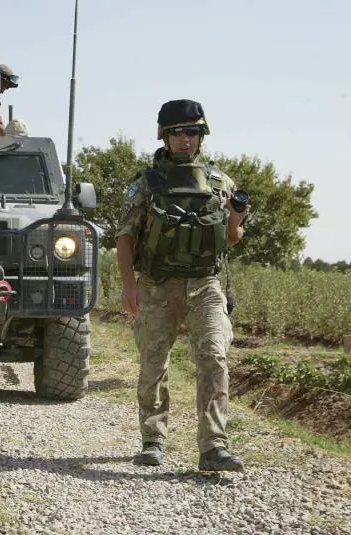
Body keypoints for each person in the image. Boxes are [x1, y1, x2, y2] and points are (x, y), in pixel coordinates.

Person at [115, 99, 250, 472]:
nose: (185, 139)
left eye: (192, 132)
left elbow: (231, 239)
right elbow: (125, 236)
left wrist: (236, 219)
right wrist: (128, 286)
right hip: (157, 285)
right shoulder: (147, 183)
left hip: (205, 285)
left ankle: (213, 447)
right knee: (153, 362)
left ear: (201, 136)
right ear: (164, 136)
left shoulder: (220, 183)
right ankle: (153, 440)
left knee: (214, 357)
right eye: (177, 132)